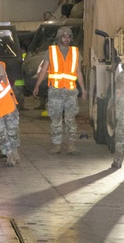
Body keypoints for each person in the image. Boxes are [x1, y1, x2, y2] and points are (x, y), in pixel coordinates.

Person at [32, 25, 86, 154]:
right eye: (63, 36)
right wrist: (37, 85)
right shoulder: (51, 51)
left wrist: (83, 90)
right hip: (55, 90)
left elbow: (78, 71)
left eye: (68, 36)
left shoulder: (75, 52)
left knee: (70, 119)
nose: (66, 39)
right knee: (55, 118)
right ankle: (56, 145)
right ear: (59, 38)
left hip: (70, 91)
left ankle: (71, 145)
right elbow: (44, 69)